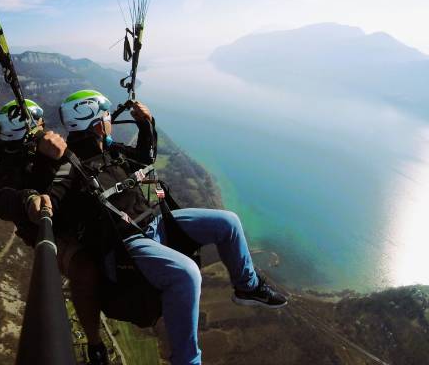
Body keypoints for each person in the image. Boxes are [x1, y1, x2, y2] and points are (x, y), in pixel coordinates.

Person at [31, 90, 287, 365]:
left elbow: (145, 158)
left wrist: (146, 124)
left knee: (228, 223)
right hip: (128, 243)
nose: (110, 122)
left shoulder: (114, 152)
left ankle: (247, 287)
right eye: (106, 117)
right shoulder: (70, 166)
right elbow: (50, 200)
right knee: (187, 274)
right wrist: (46, 163)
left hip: (159, 221)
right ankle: (187, 360)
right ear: (95, 123)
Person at [0, 99, 110, 365]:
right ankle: (95, 343)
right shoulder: (8, 168)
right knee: (83, 269)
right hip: (58, 233)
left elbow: (77, 169)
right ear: (27, 132)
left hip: (75, 214)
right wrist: (29, 196)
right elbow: (4, 201)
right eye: (38, 124)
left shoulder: (39, 149)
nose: (43, 126)